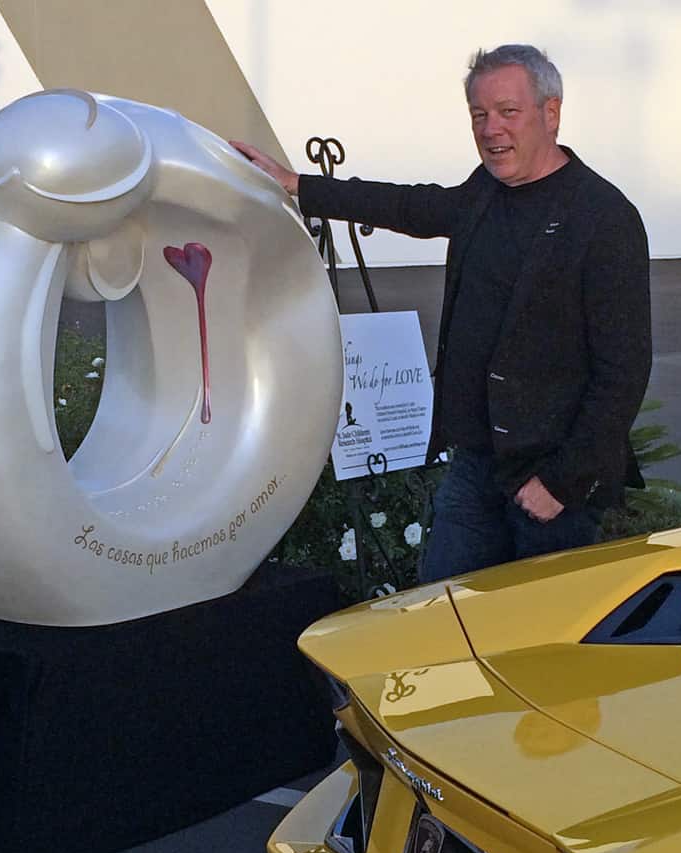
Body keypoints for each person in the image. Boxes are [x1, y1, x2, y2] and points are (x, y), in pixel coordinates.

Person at [232, 44, 651, 582]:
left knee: (535, 640)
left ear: (551, 112)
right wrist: (299, 187)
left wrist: (561, 484)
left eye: (507, 111)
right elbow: (412, 206)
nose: (490, 129)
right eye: (479, 114)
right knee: (444, 614)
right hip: (477, 462)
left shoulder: (603, 219)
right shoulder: (484, 192)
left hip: (549, 481)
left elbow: (624, 371)